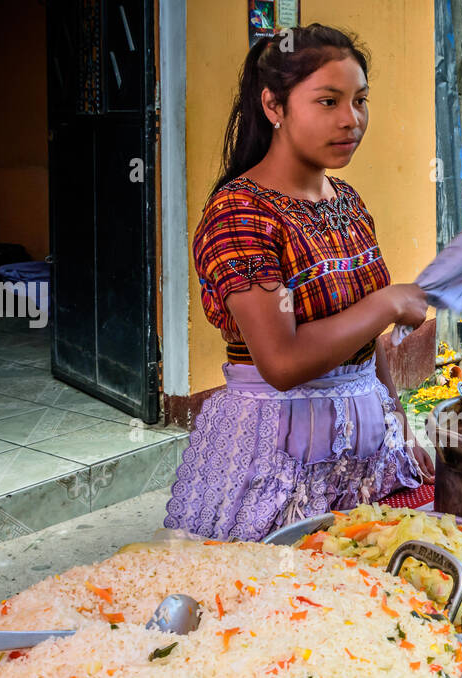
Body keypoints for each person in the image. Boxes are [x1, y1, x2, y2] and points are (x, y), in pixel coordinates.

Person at [164, 25, 430, 542]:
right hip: (279, 453)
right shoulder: (241, 213)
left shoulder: (347, 201)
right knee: (284, 599)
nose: (350, 119)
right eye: (328, 101)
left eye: (360, 100)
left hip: (366, 446)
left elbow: (362, 341)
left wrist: (400, 425)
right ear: (274, 106)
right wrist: (388, 302)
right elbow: (282, 362)